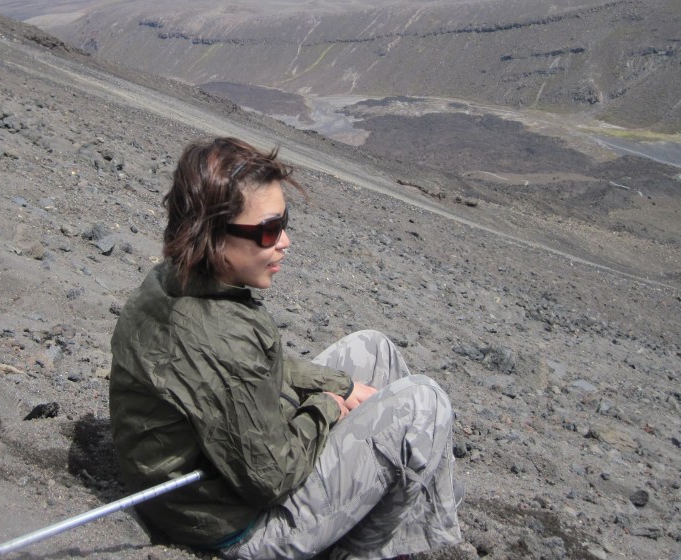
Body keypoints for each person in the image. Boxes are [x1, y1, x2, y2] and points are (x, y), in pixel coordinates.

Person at [109, 137, 462, 560]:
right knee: (424, 404)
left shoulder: (174, 280)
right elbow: (270, 478)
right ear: (214, 236)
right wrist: (326, 407)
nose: (285, 241)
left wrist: (341, 386)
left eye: (284, 222)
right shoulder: (221, 336)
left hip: (202, 494)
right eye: (270, 230)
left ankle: (409, 529)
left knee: (375, 350)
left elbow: (255, 370)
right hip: (236, 529)